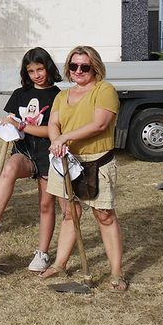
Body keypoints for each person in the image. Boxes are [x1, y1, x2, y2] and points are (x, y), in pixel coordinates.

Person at [42, 45, 127, 291]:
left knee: (105, 216)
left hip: (97, 161)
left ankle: (116, 273)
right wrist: (57, 141)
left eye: (84, 66)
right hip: (67, 161)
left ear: (95, 68)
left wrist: (64, 137)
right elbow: (53, 124)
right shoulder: (61, 96)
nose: (78, 70)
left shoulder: (104, 90)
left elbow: (99, 124)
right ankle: (60, 264)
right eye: (73, 65)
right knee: (70, 213)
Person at [0, 48, 61, 272]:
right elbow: (11, 119)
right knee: (10, 167)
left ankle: (42, 254)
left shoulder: (58, 96)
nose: (36, 75)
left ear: (48, 68)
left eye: (40, 69)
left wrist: (22, 125)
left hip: (48, 155)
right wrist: (8, 124)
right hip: (24, 152)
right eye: (31, 71)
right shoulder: (19, 94)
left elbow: (51, 131)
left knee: (45, 204)